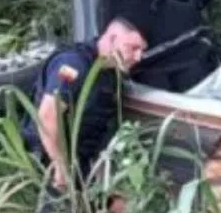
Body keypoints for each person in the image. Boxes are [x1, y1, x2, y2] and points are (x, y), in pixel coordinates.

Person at [22, 15, 148, 197]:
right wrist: (61, 167)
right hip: (51, 160)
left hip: (81, 161)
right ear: (112, 39)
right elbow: (48, 116)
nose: (138, 57)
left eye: (142, 50)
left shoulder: (111, 73)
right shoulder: (73, 65)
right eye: (133, 48)